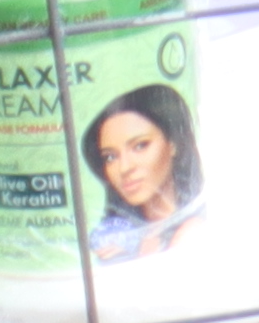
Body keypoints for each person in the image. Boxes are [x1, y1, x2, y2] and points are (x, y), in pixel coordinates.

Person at [78, 89, 195, 262]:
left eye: (140, 146)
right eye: (110, 157)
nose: (124, 168)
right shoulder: (113, 239)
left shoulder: (193, 232)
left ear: (173, 144)